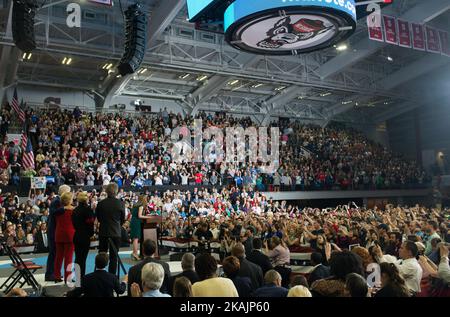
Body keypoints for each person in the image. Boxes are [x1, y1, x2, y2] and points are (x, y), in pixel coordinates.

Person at [96, 183, 126, 275]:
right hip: (115, 232)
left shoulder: (101, 204)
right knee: (114, 257)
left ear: (107, 192)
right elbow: (122, 219)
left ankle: (100, 274)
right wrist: (117, 225)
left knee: (102, 254)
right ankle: (112, 276)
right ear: (116, 192)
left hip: (104, 231)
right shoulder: (120, 203)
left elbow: (99, 218)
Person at [45, 185, 70, 282]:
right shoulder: (56, 201)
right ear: (64, 192)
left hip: (54, 229)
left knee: (55, 253)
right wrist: (65, 209)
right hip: (53, 230)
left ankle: (53, 273)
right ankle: (50, 274)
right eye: (68, 192)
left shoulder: (58, 201)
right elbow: (53, 212)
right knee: (54, 253)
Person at [72, 191, 95, 277]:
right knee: (83, 259)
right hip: (85, 237)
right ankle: (82, 279)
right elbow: (90, 224)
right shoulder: (87, 210)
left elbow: (73, 224)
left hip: (76, 235)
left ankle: (78, 278)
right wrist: (91, 234)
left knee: (78, 258)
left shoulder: (75, 210)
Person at [54, 192, 75, 283]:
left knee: (58, 257)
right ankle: (68, 277)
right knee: (68, 257)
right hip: (70, 235)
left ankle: (57, 276)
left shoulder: (58, 210)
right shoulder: (73, 211)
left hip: (59, 234)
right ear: (69, 200)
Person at [130, 195, 147, 261]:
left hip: (133, 221)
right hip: (137, 221)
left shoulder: (135, 205)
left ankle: (134, 253)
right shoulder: (141, 205)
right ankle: (135, 254)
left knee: (135, 238)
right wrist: (148, 217)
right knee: (136, 239)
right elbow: (139, 216)